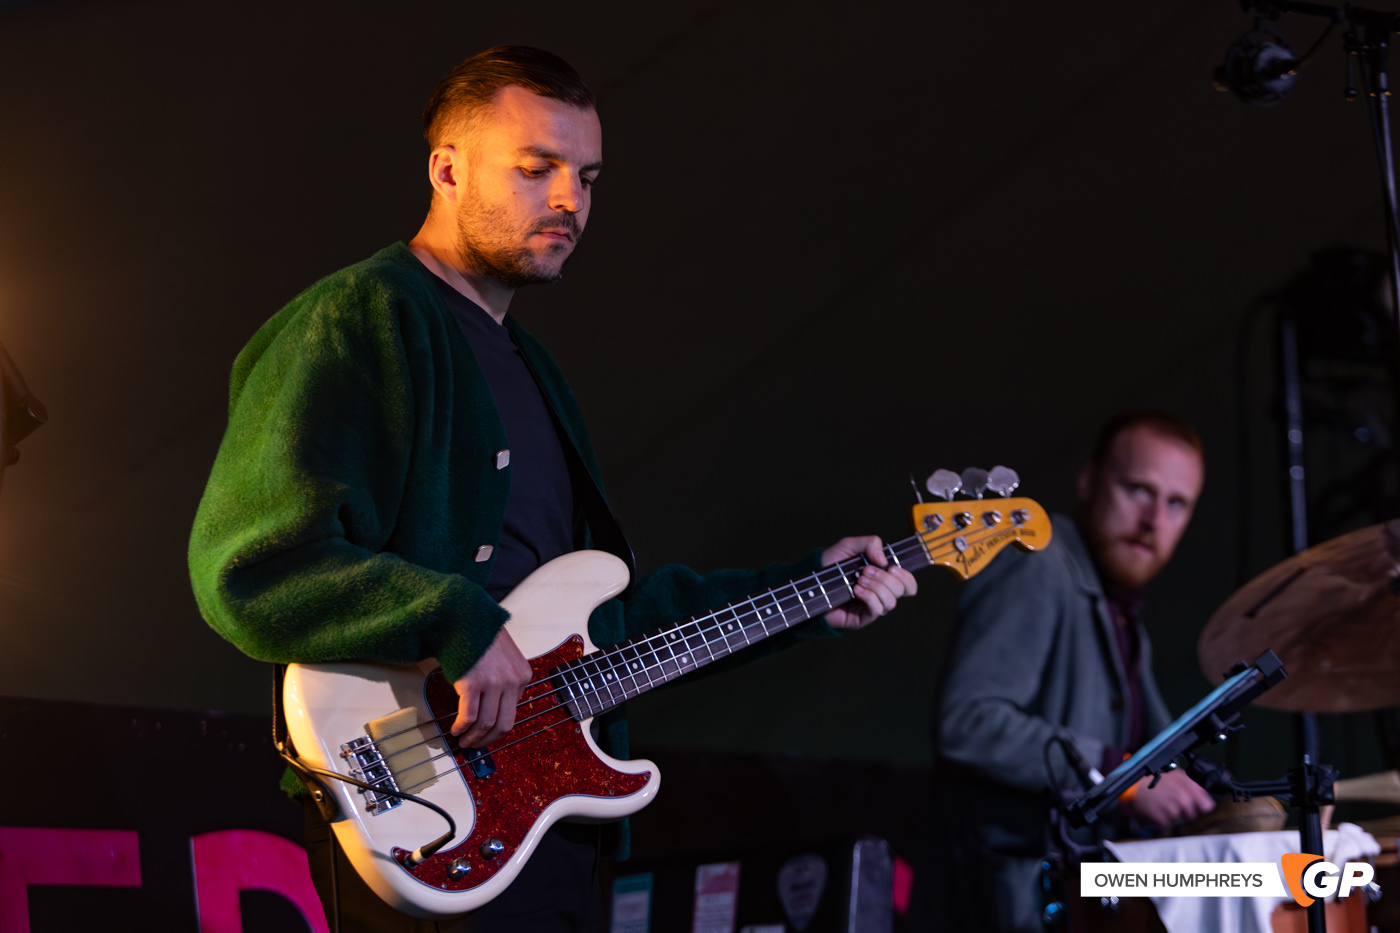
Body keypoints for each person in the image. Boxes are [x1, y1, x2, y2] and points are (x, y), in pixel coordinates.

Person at [187, 46, 917, 933]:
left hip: (543, 827)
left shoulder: (537, 370)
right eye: (537, 169)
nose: (571, 199)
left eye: (587, 176)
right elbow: (254, 565)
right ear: (445, 170)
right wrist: (458, 621)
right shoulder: (362, 317)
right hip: (426, 813)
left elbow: (602, 629)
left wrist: (806, 588)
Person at [923, 410, 1214, 933]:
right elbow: (967, 723)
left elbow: (1158, 748)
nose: (1154, 520)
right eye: (1138, 490)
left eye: (1177, 504)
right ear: (1089, 481)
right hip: (1012, 898)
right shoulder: (1039, 559)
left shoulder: (1118, 609)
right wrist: (1121, 778)